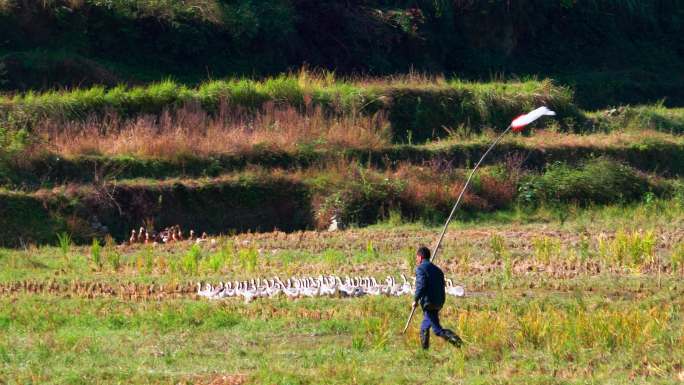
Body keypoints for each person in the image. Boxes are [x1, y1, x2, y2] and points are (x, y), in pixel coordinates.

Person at [413, 245, 462, 349]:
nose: (416, 260)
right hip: (439, 302)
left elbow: (420, 286)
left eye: (417, 257)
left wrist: (415, 300)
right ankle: (424, 352)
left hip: (429, 303)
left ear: (420, 257)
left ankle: (459, 343)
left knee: (437, 330)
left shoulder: (420, 269)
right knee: (425, 326)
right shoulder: (438, 270)